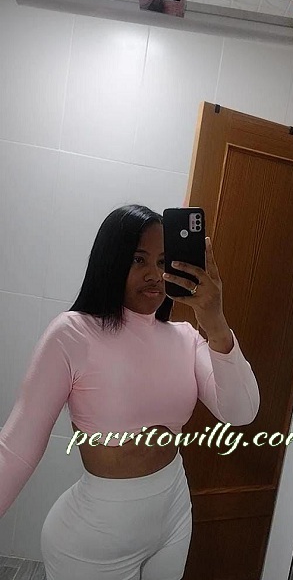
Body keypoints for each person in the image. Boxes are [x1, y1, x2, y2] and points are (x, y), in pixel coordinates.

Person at [0, 204, 260, 580]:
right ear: (111, 260)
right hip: (93, 540)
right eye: (139, 259)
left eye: (163, 262)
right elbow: (16, 449)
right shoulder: (72, 334)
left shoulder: (185, 338)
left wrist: (215, 321)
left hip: (173, 519)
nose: (154, 274)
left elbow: (241, 411)